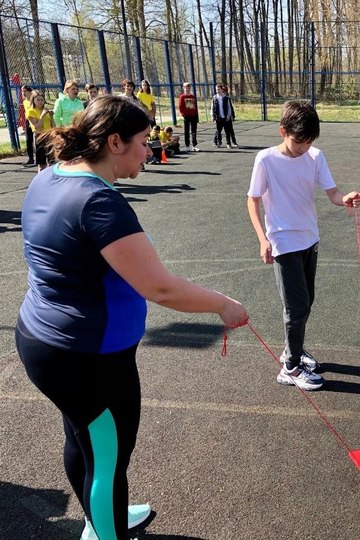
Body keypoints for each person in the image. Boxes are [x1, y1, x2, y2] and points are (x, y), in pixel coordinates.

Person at [16, 95, 249, 540]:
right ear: (115, 142)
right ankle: (106, 532)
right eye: (144, 141)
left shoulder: (49, 176)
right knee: (107, 460)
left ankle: (101, 519)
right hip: (85, 357)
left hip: (49, 343)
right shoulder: (99, 203)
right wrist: (222, 303)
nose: (150, 150)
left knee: (85, 441)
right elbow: (158, 286)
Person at [247, 100, 360, 391]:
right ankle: (290, 367)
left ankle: (293, 350)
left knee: (307, 300)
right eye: (299, 140)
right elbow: (253, 199)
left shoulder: (315, 156)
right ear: (282, 131)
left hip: (309, 239)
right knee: (296, 307)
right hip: (283, 242)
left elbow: (332, 192)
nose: (303, 147)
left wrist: (344, 198)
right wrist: (263, 239)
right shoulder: (266, 160)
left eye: (309, 140)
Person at [26, 91, 55, 172]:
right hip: (40, 137)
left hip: (49, 136)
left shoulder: (46, 110)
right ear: (33, 100)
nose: (40, 102)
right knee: (42, 164)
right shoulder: (31, 111)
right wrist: (42, 115)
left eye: (42, 100)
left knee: (52, 162)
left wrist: (51, 116)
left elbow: (54, 126)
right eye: (38, 100)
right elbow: (37, 127)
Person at [211, 84, 237, 148]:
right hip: (218, 117)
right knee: (218, 131)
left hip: (225, 117)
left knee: (227, 131)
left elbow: (229, 108)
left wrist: (229, 116)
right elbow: (212, 107)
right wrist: (212, 116)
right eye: (216, 89)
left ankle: (228, 143)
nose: (217, 91)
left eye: (219, 89)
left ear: (222, 90)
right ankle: (218, 143)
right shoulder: (214, 98)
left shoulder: (226, 98)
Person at [177, 82, 199, 152]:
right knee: (186, 131)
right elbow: (180, 107)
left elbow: (195, 106)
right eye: (186, 87)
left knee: (194, 131)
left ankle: (194, 145)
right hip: (187, 116)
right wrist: (183, 114)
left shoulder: (192, 96)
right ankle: (187, 145)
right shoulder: (182, 97)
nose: (187, 89)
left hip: (194, 116)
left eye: (188, 87)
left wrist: (196, 115)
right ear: (184, 88)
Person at [21, 85, 35, 166]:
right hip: (28, 121)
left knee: (38, 140)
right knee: (28, 140)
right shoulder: (24, 102)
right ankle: (30, 158)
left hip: (35, 119)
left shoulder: (34, 100)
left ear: (30, 92)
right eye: (22, 91)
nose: (23, 93)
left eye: (25, 91)